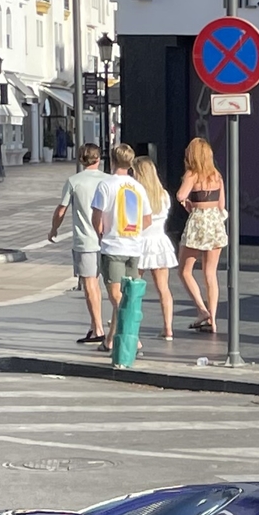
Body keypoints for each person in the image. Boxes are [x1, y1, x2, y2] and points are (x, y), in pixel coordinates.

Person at [92, 146, 152, 365]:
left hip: (114, 246)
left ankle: (133, 339)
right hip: (133, 247)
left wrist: (101, 232)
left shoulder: (105, 185)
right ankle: (111, 339)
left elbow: (96, 216)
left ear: (113, 160)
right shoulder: (138, 187)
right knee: (129, 294)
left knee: (118, 297)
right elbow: (147, 219)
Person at [49, 142, 108, 345]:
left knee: (90, 283)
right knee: (110, 285)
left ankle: (98, 327)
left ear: (81, 159)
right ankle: (103, 326)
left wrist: (54, 229)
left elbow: (61, 210)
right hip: (110, 239)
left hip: (85, 240)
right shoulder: (109, 180)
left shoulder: (74, 181)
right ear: (99, 159)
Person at [178, 135, 226, 333]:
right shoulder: (217, 176)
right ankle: (213, 319)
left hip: (198, 222)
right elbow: (222, 205)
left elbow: (181, 195)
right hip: (215, 222)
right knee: (210, 274)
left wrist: (187, 203)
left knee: (184, 270)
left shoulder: (192, 174)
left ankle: (201, 309)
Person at [132, 150, 181, 341]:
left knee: (134, 287)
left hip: (140, 242)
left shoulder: (136, 195)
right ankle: (168, 327)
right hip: (160, 242)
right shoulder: (163, 195)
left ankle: (131, 322)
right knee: (164, 288)